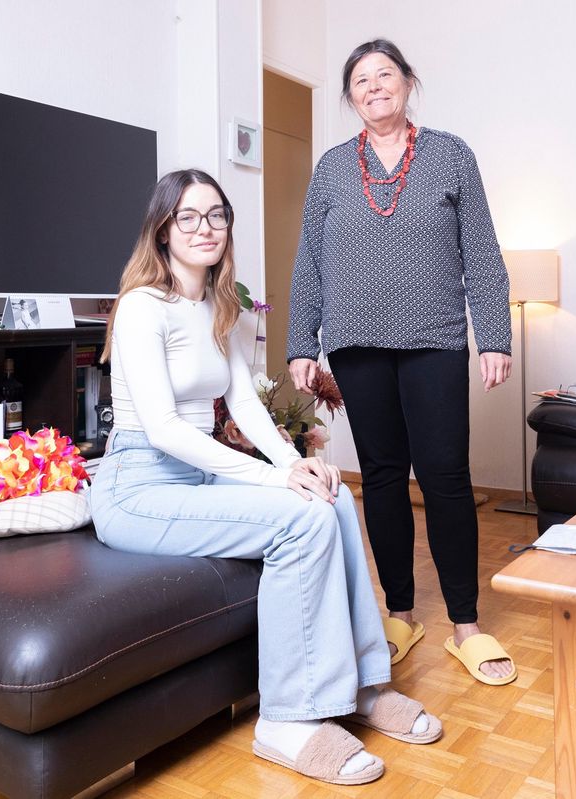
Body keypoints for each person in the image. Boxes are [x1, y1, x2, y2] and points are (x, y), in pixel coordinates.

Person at [92, 169, 442, 786]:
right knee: (300, 520)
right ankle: (286, 722)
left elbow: (246, 406)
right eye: (188, 216)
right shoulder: (143, 307)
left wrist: (296, 466)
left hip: (196, 479)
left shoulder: (223, 306)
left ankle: (360, 685)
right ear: (163, 230)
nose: (206, 228)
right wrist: (271, 481)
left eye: (217, 215)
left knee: (331, 499)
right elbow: (167, 430)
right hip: (140, 485)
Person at [287, 39, 517, 687]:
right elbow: (308, 259)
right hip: (355, 344)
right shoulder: (333, 168)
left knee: (444, 474)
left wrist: (493, 335)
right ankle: (400, 613)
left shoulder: (450, 155)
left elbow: (482, 250)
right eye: (360, 80)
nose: (374, 86)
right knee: (383, 477)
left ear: (408, 83)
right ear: (351, 97)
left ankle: (467, 625)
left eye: (384, 74)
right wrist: (301, 342)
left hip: (435, 339)